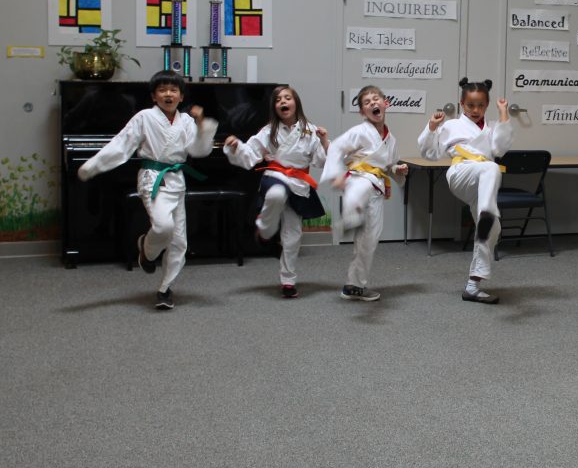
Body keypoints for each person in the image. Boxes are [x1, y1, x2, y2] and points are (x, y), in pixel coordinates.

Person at [77, 70, 218, 310]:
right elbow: (121, 145)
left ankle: (165, 289)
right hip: (153, 178)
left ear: (181, 96)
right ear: (154, 96)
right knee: (164, 226)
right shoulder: (144, 117)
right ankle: (147, 249)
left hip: (176, 180)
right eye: (162, 90)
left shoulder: (185, 121)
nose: (168, 94)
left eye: (173, 90)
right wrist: (93, 166)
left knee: (179, 241)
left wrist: (202, 124)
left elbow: (199, 150)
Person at [223, 85, 329, 298]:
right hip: (276, 175)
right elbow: (250, 153)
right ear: (274, 107)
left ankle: (288, 281)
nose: (282, 102)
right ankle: (264, 230)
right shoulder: (268, 130)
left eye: (287, 98)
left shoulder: (309, 130)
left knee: (293, 235)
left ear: (296, 102)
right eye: (278, 99)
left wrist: (325, 140)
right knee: (276, 194)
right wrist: (236, 147)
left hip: (299, 181)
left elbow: (321, 160)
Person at [418, 78, 511, 304]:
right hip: (461, 174)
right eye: (470, 106)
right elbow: (429, 153)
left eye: (481, 105)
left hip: (483, 182)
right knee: (490, 168)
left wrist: (503, 114)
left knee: (492, 230)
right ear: (462, 104)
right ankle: (487, 213)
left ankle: (473, 286)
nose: (475, 110)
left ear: (487, 105)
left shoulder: (490, 128)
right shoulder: (451, 126)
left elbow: (501, 148)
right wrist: (431, 127)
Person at [321, 85, 408, 302]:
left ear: (385, 104)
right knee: (361, 188)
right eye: (366, 103)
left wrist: (398, 170)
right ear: (362, 112)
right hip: (359, 178)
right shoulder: (359, 131)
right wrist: (335, 174)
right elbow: (337, 147)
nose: (372, 104)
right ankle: (350, 217)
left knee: (370, 240)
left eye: (375, 99)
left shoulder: (391, 140)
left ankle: (354, 286)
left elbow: (390, 166)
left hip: (378, 187)